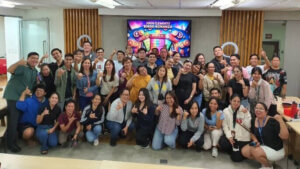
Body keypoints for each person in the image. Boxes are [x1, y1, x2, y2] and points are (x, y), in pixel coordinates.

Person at [4, 52, 39, 152]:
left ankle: (15, 139)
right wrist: (19, 62)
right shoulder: (22, 66)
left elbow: (31, 85)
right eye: (32, 58)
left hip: (24, 98)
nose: (34, 60)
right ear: (27, 59)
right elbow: (9, 70)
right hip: (14, 97)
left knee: (19, 120)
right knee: (13, 121)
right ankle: (11, 144)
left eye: (36, 58)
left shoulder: (35, 71)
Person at [241, 102, 289, 169]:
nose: (258, 110)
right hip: (262, 145)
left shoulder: (272, 121)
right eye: (256, 108)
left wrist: (280, 120)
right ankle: (263, 160)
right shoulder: (254, 120)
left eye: (261, 109)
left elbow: (285, 136)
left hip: (275, 149)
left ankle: (268, 166)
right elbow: (251, 133)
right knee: (244, 151)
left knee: (254, 151)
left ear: (266, 112)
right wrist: (255, 140)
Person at [219, 94, 252, 162]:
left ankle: (237, 151)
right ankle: (234, 150)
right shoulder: (225, 111)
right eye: (234, 101)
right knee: (222, 141)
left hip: (242, 137)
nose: (236, 103)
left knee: (236, 159)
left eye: (238, 101)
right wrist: (229, 137)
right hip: (233, 136)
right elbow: (225, 126)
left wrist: (246, 114)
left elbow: (248, 125)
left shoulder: (244, 110)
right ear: (230, 101)